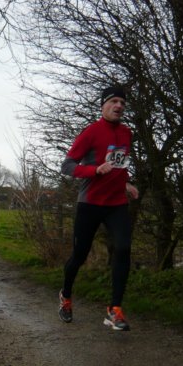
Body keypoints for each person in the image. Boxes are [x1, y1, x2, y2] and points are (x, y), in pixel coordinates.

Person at [59, 86, 139, 331]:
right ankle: (66, 296)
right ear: (103, 106)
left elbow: (119, 165)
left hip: (116, 204)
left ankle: (114, 310)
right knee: (79, 256)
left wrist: (125, 182)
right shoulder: (91, 132)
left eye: (122, 103)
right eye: (114, 101)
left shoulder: (127, 133)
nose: (119, 106)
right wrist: (94, 170)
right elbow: (67, 166)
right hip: (90, 203)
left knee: (123, 248)